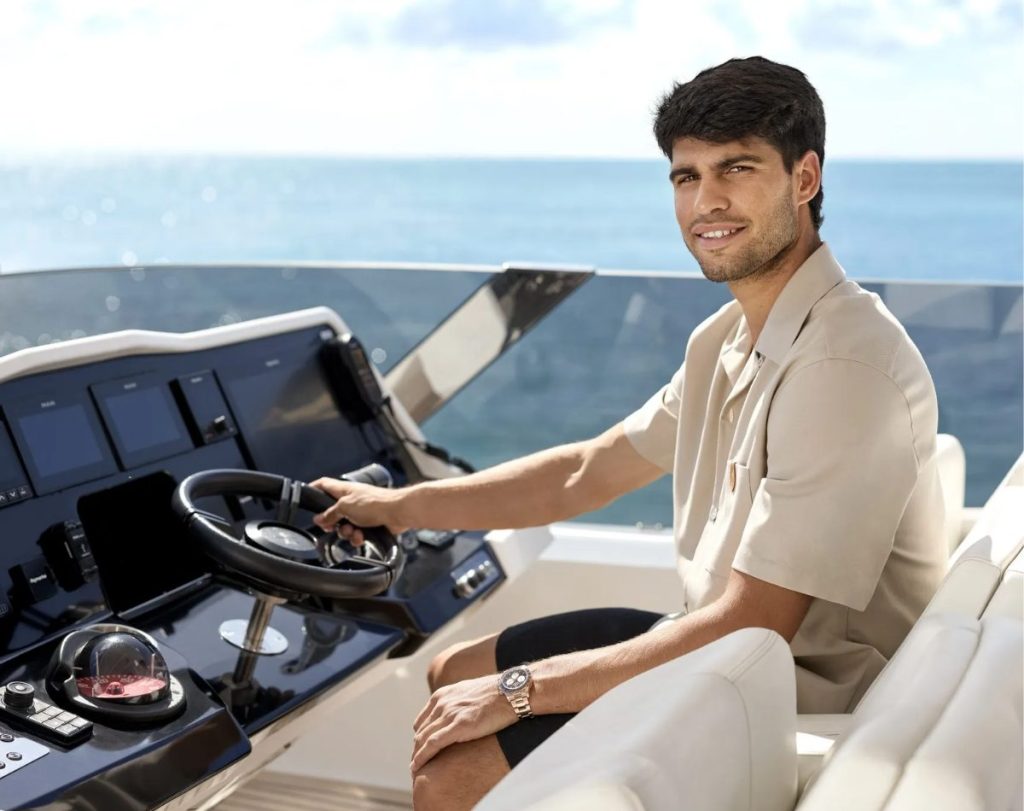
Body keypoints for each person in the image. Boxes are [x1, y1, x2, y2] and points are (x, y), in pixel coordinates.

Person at [312, 56, 945, 811]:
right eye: (686, 176)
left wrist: (521, 690)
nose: (706, 202)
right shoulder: (726, 338)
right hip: (718, 648)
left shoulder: (845, 365)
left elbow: (758, 622)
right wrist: (399, 507)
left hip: (793, 692)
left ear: (804, 178)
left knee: (453, 772)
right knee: (454, 673)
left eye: (737, 169)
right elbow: (588, 470)